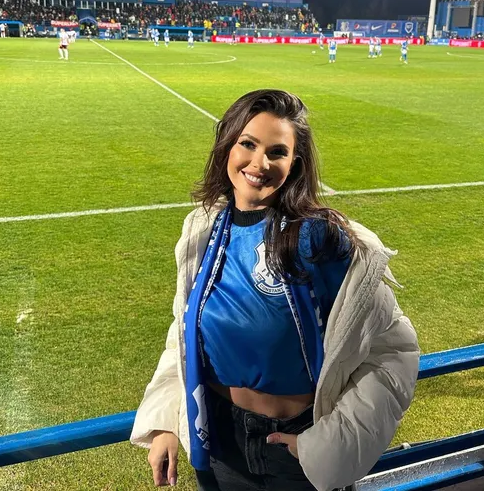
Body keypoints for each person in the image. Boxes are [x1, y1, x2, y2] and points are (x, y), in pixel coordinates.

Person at [131, 89, 419, 491]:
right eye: (247, 144)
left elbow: (393, 350)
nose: (259, 163)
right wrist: (165, 420)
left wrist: (325, 444)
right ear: (227, 146)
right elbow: (185, 331)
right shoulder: (203, 229)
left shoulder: (322, 239)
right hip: (219, 442)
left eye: (277, 152)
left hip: (294, 451)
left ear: (294, 163)